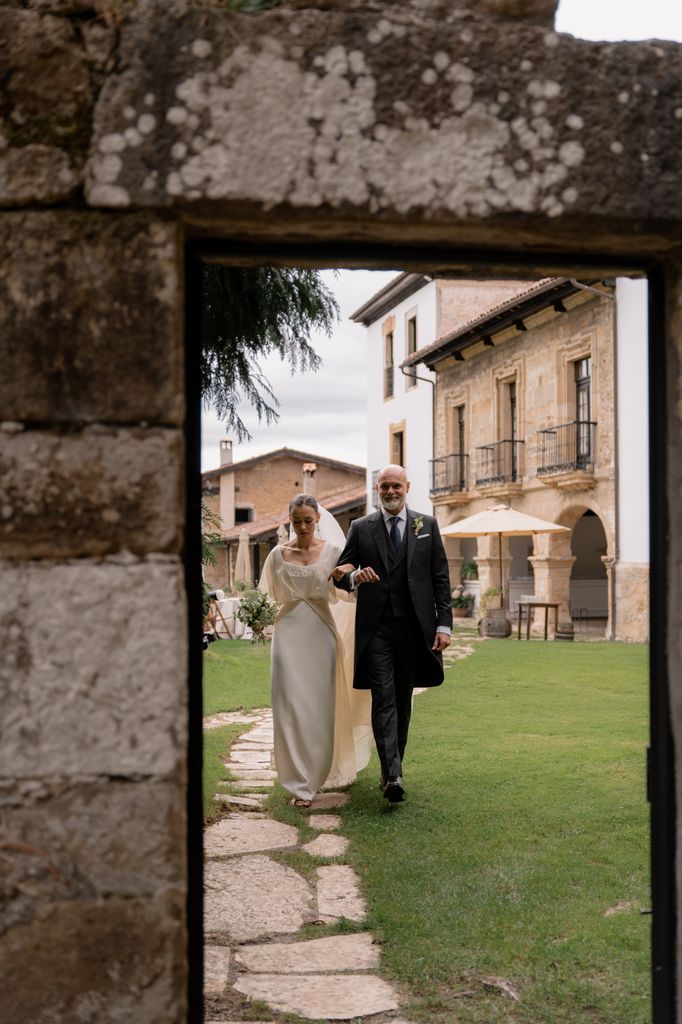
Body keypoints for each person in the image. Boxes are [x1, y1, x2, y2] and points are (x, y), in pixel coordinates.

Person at [332, 465, 452, 803]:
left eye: (396, 486)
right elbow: (341, 574)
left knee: (402, 701)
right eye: (384, 486)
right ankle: (394, 774)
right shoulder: (361, 527)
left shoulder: (426, 525)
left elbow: (440, 578)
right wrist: (354, 577)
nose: (390, 491)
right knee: (383, 697)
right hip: (377, 630)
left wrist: (444, 625)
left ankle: (390, 770)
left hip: (415, 630)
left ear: (407, 487)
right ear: (377, 489)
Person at [259, 494, 372, 808]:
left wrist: (356, 580)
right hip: (287, 636)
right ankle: (300, 784)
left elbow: (347, 593)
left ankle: (317, 773)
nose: (303, 527)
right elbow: (266, 597)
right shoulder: (277, 556)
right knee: (289, 708)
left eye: (308, 520)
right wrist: (257, 619)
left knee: (320, 708)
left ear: (318, 518)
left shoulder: (334, 552)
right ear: (290, 520)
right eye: (297, 521)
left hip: (321, 635)